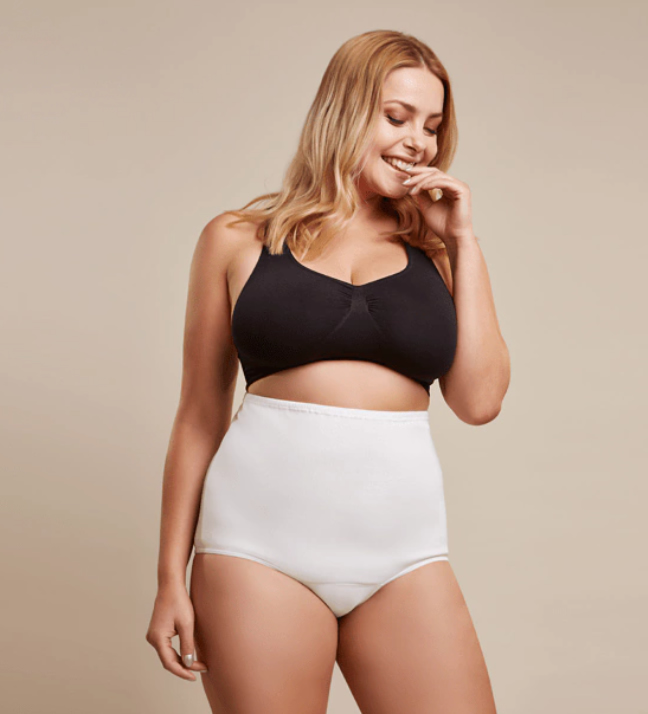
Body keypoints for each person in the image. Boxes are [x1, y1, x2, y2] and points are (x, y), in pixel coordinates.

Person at [146, 29, 509, 714]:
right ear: (345, 111)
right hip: (256, 553)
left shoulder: (437, 254)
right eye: (396, 117)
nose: (418, 142)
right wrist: (169, 577)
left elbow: (480, 401)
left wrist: (463, 241)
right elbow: (199, 416)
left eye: (432, 126)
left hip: (403, 557)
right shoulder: (237, 239)